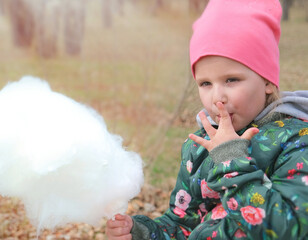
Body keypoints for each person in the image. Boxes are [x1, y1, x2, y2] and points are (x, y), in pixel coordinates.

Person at [106, 0, 308, 239]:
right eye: (205, 83)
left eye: (231, 79)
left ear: (267, 81)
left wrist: (231, 160)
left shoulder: (296, 142)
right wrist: (143, 232)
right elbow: (182, 224)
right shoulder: (198, 147)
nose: (217, 97)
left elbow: (291, 228)